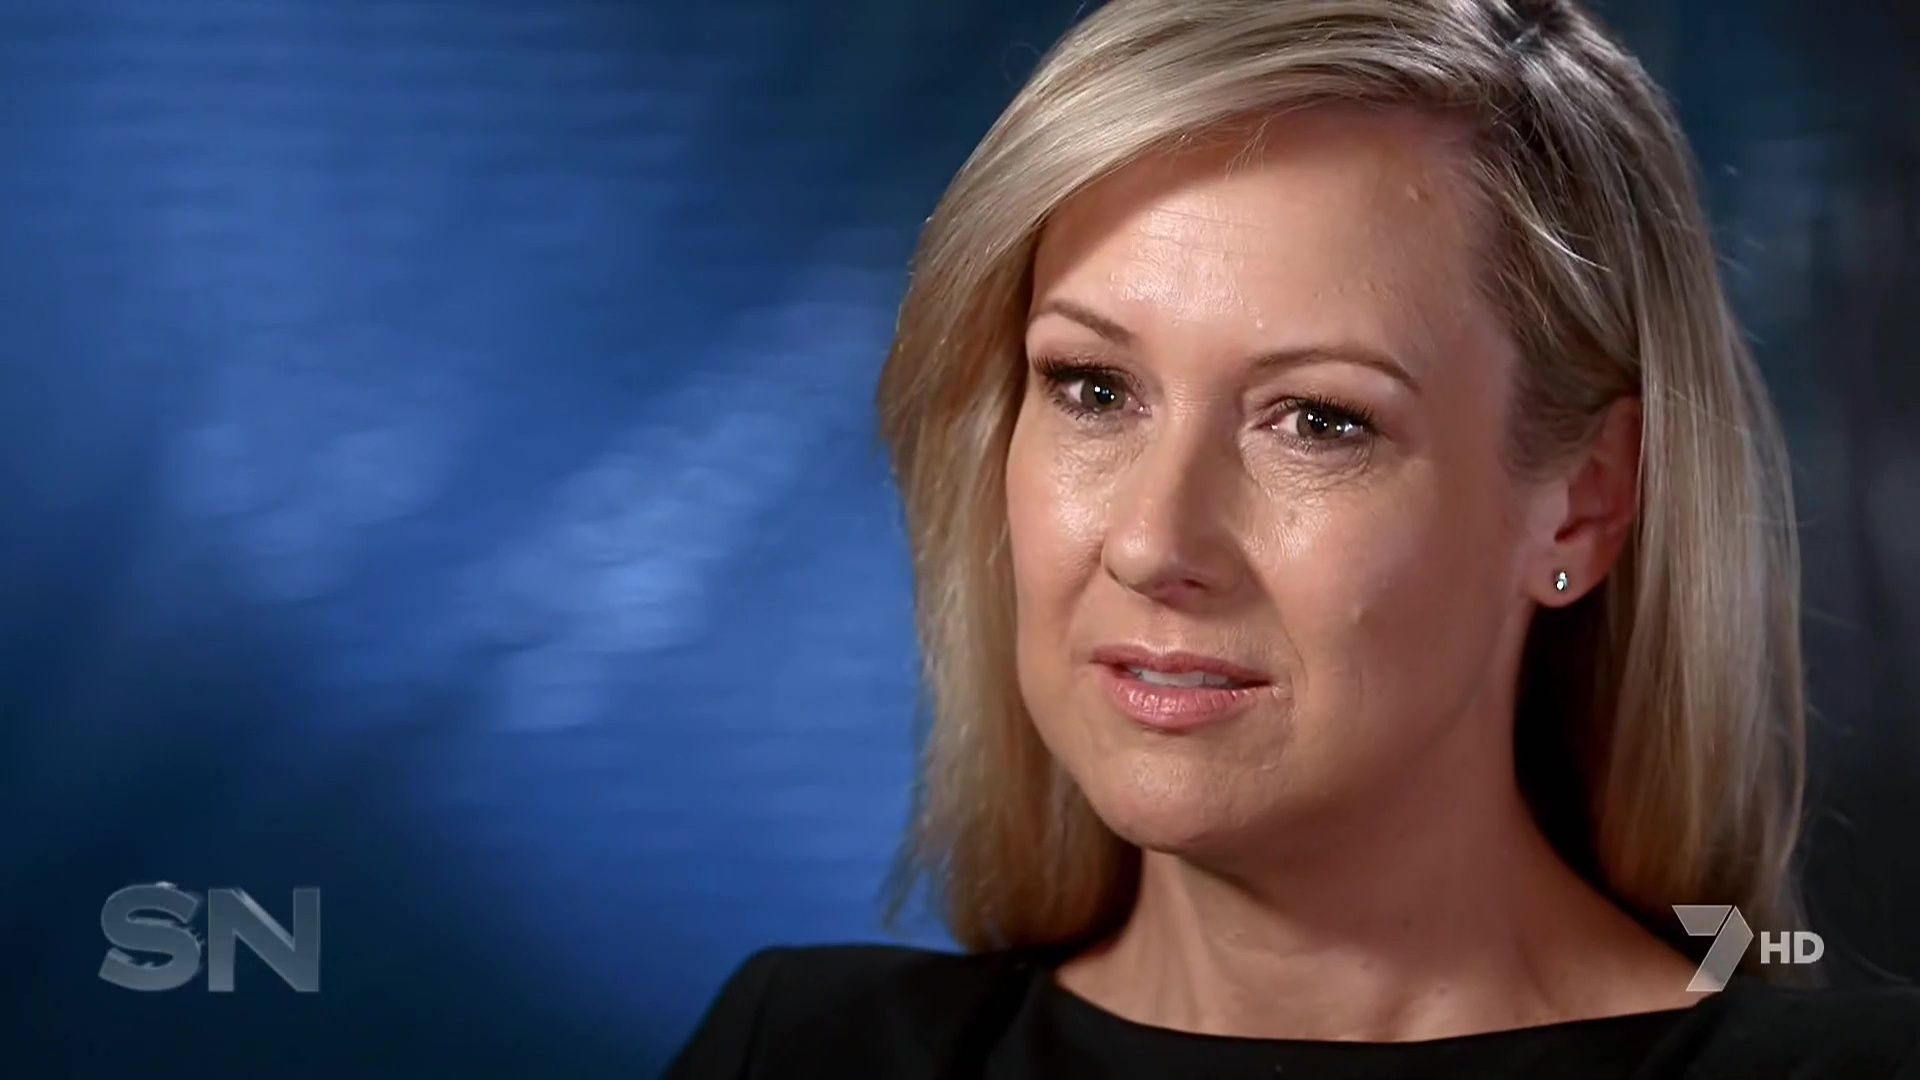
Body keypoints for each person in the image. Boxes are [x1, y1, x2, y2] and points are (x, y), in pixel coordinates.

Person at [665, 0, 1920, 1075]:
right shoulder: (801, 1049)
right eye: (1094, 388)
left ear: (1583, 503)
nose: (1153, 542)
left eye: (1319, 420)